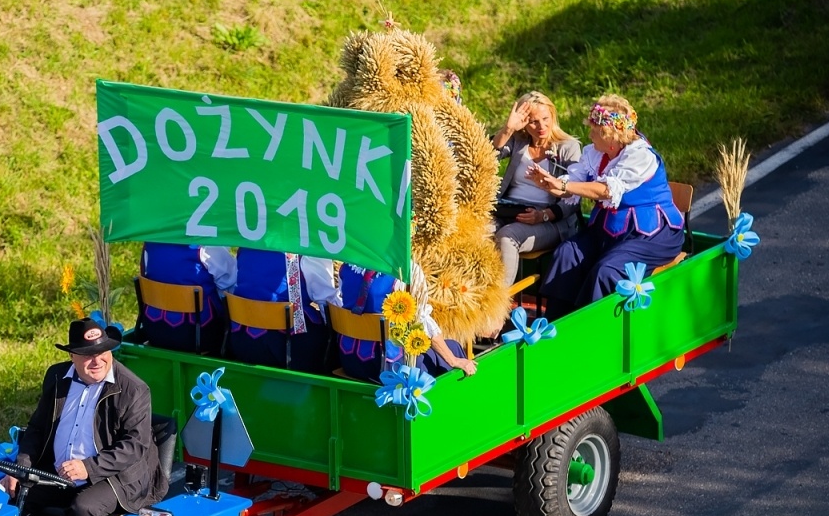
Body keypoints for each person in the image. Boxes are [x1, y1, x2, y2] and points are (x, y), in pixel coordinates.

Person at [9, 318, 160, 516]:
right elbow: (37, 429)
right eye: (88, 354)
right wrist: (22, 468)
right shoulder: (56, 377)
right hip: (60, 471)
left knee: (84, 508)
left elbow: (134, 446)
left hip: (116, 476)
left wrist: (88, 467)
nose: (97, 360)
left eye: (102, 351)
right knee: (19, 496)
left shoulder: (134, 390)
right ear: (72, 356)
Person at [524, 95, 685, 317]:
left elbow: (606, 190)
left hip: (649, 235)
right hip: (608, 231)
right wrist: (549, 184)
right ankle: (556, 327)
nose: (590, 134)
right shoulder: (595, 152)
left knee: (607, 270)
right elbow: (573, 184)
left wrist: (565, 185)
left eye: (594, 129)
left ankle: (590, 334)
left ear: (609, 136)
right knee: (566, 253)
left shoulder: (640, 156)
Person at [490, 92, 584, 287]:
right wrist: (508, 130)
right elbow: (487, 154)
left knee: (508, 237)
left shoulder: (568, 147)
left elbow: (573, 197)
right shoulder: (519, 141)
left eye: (545, 119)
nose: (541, 127)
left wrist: (543, 216)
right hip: (509, 209)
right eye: (533, 122)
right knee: (477, 232)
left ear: (553, 116)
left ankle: (499, 306)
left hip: (550, 219)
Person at [336, 264, 476, 381]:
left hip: (349, 360)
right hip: (389, 368)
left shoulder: (346, 267)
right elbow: (422, 322)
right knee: (453, 348)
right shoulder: (406, 271)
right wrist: (454, 360)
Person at [227, 248, 335, 371]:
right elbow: (326, 301)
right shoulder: (308, 247)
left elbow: (230, 285)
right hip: (288, 349)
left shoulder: (246, 243)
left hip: (240, 341)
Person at [138, 242, 236, 354]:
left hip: (153, 331)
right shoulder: (208, 246)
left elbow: (145, 274)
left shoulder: (150, 243)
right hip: (200, 336)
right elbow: (230, 285)